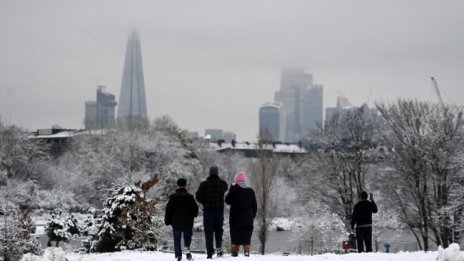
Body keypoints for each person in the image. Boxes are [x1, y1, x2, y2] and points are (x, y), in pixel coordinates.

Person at [195, 165, 228, 259]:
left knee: (208, 232)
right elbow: (226, 188)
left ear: (209, 173)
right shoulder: (223, 184)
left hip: (208, 212)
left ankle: (209, 253)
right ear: (217, 173)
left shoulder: (204, 184)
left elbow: (197, 196)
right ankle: (218, 248)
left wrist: (204, 202)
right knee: (219, 231)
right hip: (219, 212)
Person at [165, 178, 199, 261]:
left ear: (177, 185)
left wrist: (167, 220)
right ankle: (187, 247)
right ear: (185, 185)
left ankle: (178, 256)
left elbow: (168, 209)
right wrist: (194, 215)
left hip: (175, 222)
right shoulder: (190, 197)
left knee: (177, 239)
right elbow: (195, 208)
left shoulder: (173, 197)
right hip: (188, 221)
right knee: (187, 236)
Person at [225, 172, 257, 257]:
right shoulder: (251, 191)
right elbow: (254, 205)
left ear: (236, 181)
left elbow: (227, 200)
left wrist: (231, 188)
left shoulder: (234, 190)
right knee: (247, 233)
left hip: (236, 218)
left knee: (235, 233)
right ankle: (246, 250)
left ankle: (235, 251)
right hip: (248, 217)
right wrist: (252, 216)